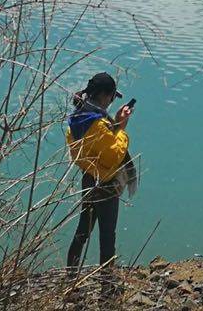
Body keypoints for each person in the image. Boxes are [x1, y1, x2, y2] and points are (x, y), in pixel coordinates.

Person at [65, 72, 135, 274]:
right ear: (104, 96)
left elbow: (96, 146)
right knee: (107, 235)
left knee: (82, 231)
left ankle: (71, 276)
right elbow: (114, 155)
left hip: (89, 179)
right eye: (112, 96)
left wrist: (116, 122)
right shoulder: (97, 123)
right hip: (106, 185)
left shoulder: (79, 118)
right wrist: (121, 129)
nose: (112, 101)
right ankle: (107, 282)